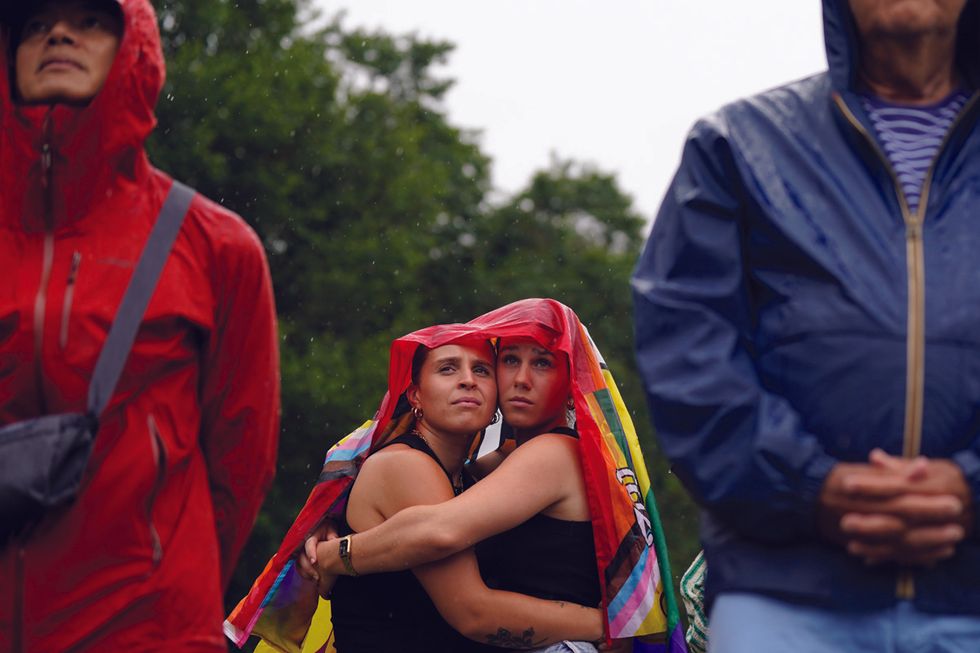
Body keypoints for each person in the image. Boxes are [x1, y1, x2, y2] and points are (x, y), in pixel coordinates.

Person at [632, 0, 980, 651]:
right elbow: (687, 350)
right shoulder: (737, 146)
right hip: (787, 594)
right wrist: (814, 484)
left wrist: (971, 486)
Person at [0, 1, 279, 651]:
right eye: (35, 24)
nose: (58, 34)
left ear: (134, 51)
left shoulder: (215, 243)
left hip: (149, 624)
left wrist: (176, 588)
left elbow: (240, 461)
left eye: (88, 21)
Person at [298, 298, 685, 653]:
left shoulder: (555, 452)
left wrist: (336, 555)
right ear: (414, 393)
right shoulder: (487, 465)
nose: (520, 380)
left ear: (572, 387)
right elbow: (423, 506)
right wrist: (334, 518)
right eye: (510, 361)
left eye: (542, 363)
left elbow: (443, 536)